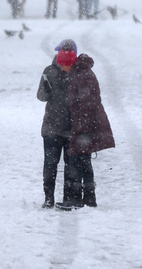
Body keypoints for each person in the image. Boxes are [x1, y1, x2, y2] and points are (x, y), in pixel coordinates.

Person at [57, 50, 115, 210]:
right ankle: (89, 199)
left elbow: (86, 103)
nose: (62, 69)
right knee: (83, 162)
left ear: (69, 63)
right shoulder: (82, 74)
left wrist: (80, 128)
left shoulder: (83, 76)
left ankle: (77, 200)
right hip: (85, 125)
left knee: (77, 162)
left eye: (63, 65)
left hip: (84, 126)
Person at [36, 39, 78, 209]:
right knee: (70, 165)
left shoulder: (48, 71)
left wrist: (48, 89)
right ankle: (68, 197)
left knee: (50, 164)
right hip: (71, 127)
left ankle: (48, 198)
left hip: (51, 127)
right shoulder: (77, 72)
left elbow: (41, 96)